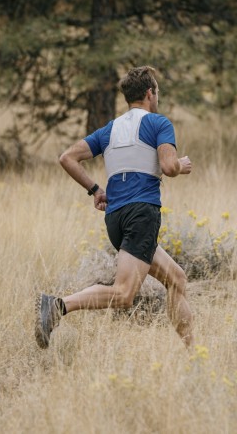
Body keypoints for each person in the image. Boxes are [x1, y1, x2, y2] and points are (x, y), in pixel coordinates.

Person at [35, 65, 195, 349]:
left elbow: (67, 158)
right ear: (150, 93)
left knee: (177, 279)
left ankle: (194, 353)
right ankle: (58, 306)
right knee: (123, 294)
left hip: (116, 218)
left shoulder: (111, 129)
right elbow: (169, 167)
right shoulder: (158, 123)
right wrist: (181, 166)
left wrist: (95, 190)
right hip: (141, 213)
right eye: (157, 92)